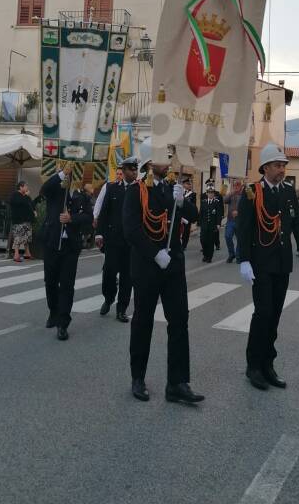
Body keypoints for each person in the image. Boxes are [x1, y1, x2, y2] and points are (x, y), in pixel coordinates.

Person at [122, 138, 203, 404]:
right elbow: (131, 229)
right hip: (148, 265)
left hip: (173, 265)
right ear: (148, 161)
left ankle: (177, 382)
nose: (168, 159)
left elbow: (194, 216)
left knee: (179, 322)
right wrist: (155, 253)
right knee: (143, 322)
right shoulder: (135, 191)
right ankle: (137, 377)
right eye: (162, 156)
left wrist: (183, 202)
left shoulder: (172, 188)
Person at [237, 143, 299, 392]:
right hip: (260, 263)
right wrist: (244, 259)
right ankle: (254, 366)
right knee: (263, 313)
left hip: (282, 263)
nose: (282, 169)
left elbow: (297, 225)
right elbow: (244, 228)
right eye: (278, 165)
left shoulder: (288, 192)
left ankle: (268, 364)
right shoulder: (252, 191)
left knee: (275, 315)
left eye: (283, 165)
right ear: (266, 167)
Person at [39, 164, 93, 341]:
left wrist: (72, 219)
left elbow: (88, 217)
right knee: (50, 281)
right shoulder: (56, 189)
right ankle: (53, 311)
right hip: (52, 242)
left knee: (67, 285)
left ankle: (63, 323)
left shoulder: (80, 195)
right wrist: (62, 173)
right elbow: (43, 190)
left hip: (70, 246)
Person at [95, 157, 138, 322]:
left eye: (136, 169)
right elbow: (104, 212)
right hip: (113, 240)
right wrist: (99, 234)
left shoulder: (140, 189)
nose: (134, 172)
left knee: (128, 277)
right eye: (131, 170)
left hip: (131, 243)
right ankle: (108, 297)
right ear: (124, 171)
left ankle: (122, 309)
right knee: (109, 273)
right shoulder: (112, 188)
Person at [9, 181, 35, 262]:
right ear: (21, 187)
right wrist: (25, 196)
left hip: (27, 219)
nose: (27, 188)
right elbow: (18, 202)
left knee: (27, 237)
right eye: (25, 186)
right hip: (18, 220)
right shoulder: (15, 195)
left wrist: (34, 211)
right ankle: (16, 254)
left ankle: (27, 253)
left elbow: (30, 204)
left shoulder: (26, 197)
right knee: (18, 237)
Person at [199, 179, 223, 263]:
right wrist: (199, 223)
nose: (211, 194)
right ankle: (205, 254)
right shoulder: (204, 202)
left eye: (212, 193)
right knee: (203, 240)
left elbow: (219, 214)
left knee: (210, 242)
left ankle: (209, 257)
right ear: (207, 193)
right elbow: (201, 213)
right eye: (209, 193)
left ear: (214, 194)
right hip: (204, 225)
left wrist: (218, 224)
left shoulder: (216, 203)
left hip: (212, 225)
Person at [224, 180, 243, 263]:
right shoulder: (231, 194)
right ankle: (231, 254)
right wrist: (231, 193)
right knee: (228, 236)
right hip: (230, 220)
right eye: (235, 185)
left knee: (240, 239)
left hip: (240, 221)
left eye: (238, 185)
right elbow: (224, 200)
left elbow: (248, 207)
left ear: (241, 186)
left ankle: (238, 256)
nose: (236, 187)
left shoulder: (244, 195)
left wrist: (239, 212)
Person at [180, 177, 197, 250]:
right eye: (187, 184)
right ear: (183, 184)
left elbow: (193, 206)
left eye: (189, 184)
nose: (189, 185)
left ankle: (184, 245)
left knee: (186, 231)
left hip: (187, 216)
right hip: (180, 215)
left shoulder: (192, 194)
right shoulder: (180, 193)